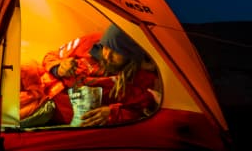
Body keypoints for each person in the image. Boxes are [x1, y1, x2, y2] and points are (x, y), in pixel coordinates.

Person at [18, 23, 160, 128]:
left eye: (117, 52)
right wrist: (58, 68)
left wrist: (111, 113)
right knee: (20, 68)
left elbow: (139, 109)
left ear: (131, 57)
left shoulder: (138, 79)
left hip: (50, 106)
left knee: (7, 120)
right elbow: (51, 55)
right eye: (106, 47)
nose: (107, 55)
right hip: (41, 83)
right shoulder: (90, 42)